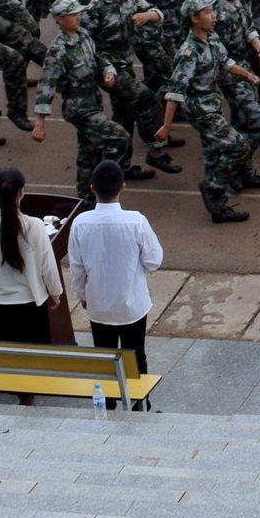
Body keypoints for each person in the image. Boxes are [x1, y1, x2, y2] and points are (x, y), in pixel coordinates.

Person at [65, 159, 163, 377]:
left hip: (99, 305)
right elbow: (154, 261)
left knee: (105, 358)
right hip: (132, 305)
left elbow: (77, 268)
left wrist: (82, 295)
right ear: (123, 186)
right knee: (137, 356)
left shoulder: (80, 223)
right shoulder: (136, 221)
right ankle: (139, 398)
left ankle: (108, 396)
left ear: (92, 188)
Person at [0, 165, 65, 348]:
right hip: (32, 304)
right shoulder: (35, 225)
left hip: (1, 304)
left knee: (10, 356)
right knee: (36, 357)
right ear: (22, 192)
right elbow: (48, 267)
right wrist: (55, 293)